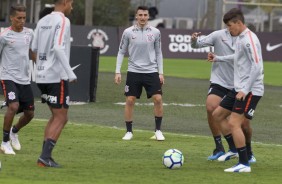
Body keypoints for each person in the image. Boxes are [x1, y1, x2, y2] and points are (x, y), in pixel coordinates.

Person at [191, 21, 256, 163]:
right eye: (228, 23)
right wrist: (194, 40)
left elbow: (250, 63)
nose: (229, 26)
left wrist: (218, 58)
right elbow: (196, 45)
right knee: (211, 107)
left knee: (243, 124)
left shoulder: (247, 39)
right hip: (219, 81)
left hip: (240, 84)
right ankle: (220, 148)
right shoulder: (218, 35)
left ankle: (248, 152)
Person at [210, 8, 264, 172]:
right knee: (217, 115)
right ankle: (235, 150)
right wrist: (219, 58)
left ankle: (244, 163)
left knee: (235, 123)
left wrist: (245, 89)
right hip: (239, 88)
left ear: (239, 23)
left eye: (229, 26)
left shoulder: (249, 39)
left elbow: (257, 66)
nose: (228, 29)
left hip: (250, 90)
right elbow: (237, 57)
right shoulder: (240, 38)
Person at [31, 0, 77, 167]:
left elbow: (33, 47)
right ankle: (44, 157)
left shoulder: (43, 20)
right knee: (61, 117)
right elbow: (58, 48)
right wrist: (69, 72)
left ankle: (45, 156)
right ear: (64, 2)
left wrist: (43, 67)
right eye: (72, 2)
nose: (72, 6)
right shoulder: (63, 20)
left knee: (57, 116)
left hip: (42, 76)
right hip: (57, 76)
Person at [114, 6, 165, 141]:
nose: (143, 17)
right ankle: (129, 132)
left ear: (148, 16)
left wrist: (161, 72)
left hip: (151, 71)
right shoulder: (128, 32)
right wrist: (117, 71)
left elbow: (159, 53)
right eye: (140, 15)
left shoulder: (155, 32)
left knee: (158, 99)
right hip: (133, 71)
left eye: (145, 15)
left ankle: (158, 131)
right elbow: (121, 52)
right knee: (130, 100)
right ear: (136, 16)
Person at [0, 4, 35, 155]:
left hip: (24, 79)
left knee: (30, 114)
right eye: (18, 18)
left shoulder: (29, 33)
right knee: (13, 107)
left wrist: (40, 66)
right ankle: (5, 142)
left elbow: (31, 52)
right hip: (7, 76)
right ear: (12, 18)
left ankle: (15, 131)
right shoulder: (4, 36)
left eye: (24, 18)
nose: (21, 21)